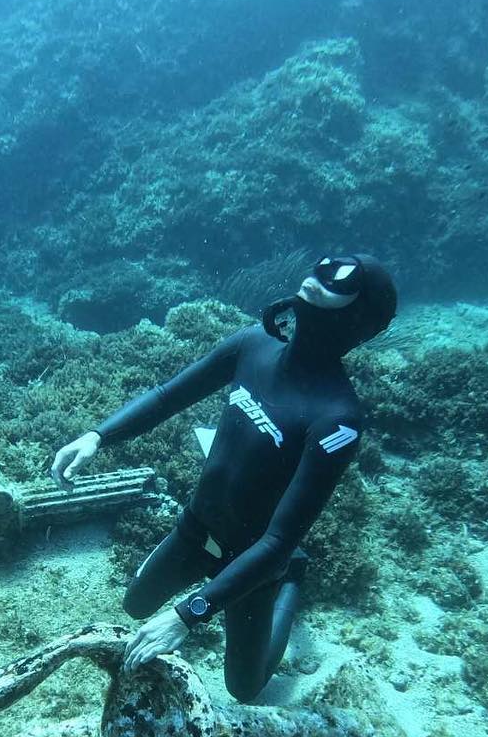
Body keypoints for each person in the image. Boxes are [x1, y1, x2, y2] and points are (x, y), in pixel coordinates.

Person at [49, 254, 398, 701]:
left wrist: (188, 615)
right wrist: (97, 436)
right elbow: (165, 398)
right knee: (134, 605)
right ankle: (263, 575)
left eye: (332, 291)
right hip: (196, 528)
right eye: (315, 279)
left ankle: (292, 580)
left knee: (245, 688)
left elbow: (276, 543)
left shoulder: (337, 419)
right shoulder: (254, 344)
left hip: (255, 561)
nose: (313, 287)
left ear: (358, 324)